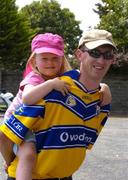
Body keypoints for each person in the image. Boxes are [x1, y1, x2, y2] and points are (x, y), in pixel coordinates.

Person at [0, 29, 116, 180]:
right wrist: (9, 161)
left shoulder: (99, 98)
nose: (101, 60)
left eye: (108, 55)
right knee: (27, 154)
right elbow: (5, 135)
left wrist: (103, 87)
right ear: (79, 55)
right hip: (29, 173)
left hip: (63, 175)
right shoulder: (46, 88)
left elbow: (79, 142)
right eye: (94, 53)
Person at [0, 33, 72, 180]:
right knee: (28, 155)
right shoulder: (34, 78)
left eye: (55, 58)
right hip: (20, 126)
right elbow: (27, 98)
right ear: (34, 60)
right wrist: (51, 84)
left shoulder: (64, 78)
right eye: (44, 58)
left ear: (62, 59)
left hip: (38, 125)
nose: (50, 62)